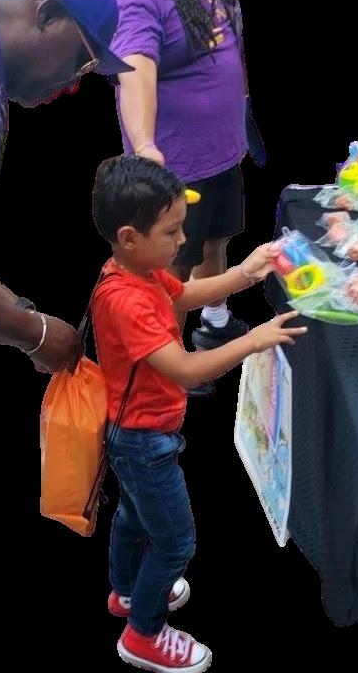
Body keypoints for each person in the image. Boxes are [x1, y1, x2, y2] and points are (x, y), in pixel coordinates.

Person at [91, 155, 307, 672]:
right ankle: (143, 633)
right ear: (129, 237)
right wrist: (252, 340)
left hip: (136, 433)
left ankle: (126, 591)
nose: (183, 240)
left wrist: (245, 272)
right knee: (175, 541)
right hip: (143, 439)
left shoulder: (142, 271)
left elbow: (186, 293)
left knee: (134, 517)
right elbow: (186, 370)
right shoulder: (129, 302)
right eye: (171, 231)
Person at [102, 0, 266, 395]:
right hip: (175, 165)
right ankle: (167, 370)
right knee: (170, 269)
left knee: (215, 240)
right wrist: (145, 145)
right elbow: (133, 68)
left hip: (219, 149)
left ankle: (214, 322)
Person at [0, 0, 133, 372]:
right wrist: (37, 335)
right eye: (82, 61)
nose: (74, 85)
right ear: (47, 14)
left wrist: (22, 310)